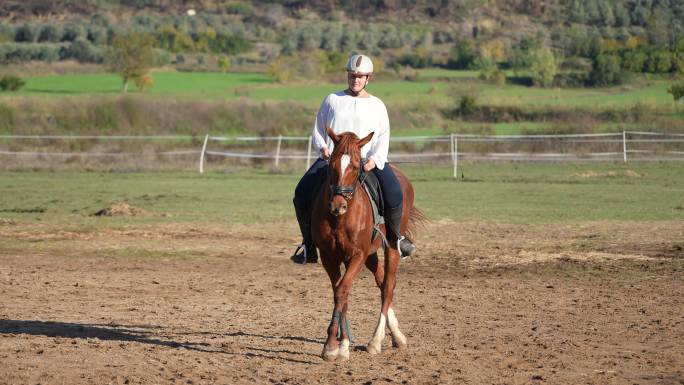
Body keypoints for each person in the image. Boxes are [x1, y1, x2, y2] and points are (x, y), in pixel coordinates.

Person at [291, 54, 416, 264]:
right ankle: (308, 245)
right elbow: (319, 129)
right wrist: (322, 147)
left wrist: (375, 160)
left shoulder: (377, 105)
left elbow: (383, 136)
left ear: (368, 78)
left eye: (360, 77)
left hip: (365, 160)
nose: (355, 80)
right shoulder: (332, 99)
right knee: (301, 192)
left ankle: (396, 239)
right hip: (334, 159)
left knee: (395, 192)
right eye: (351, 76)